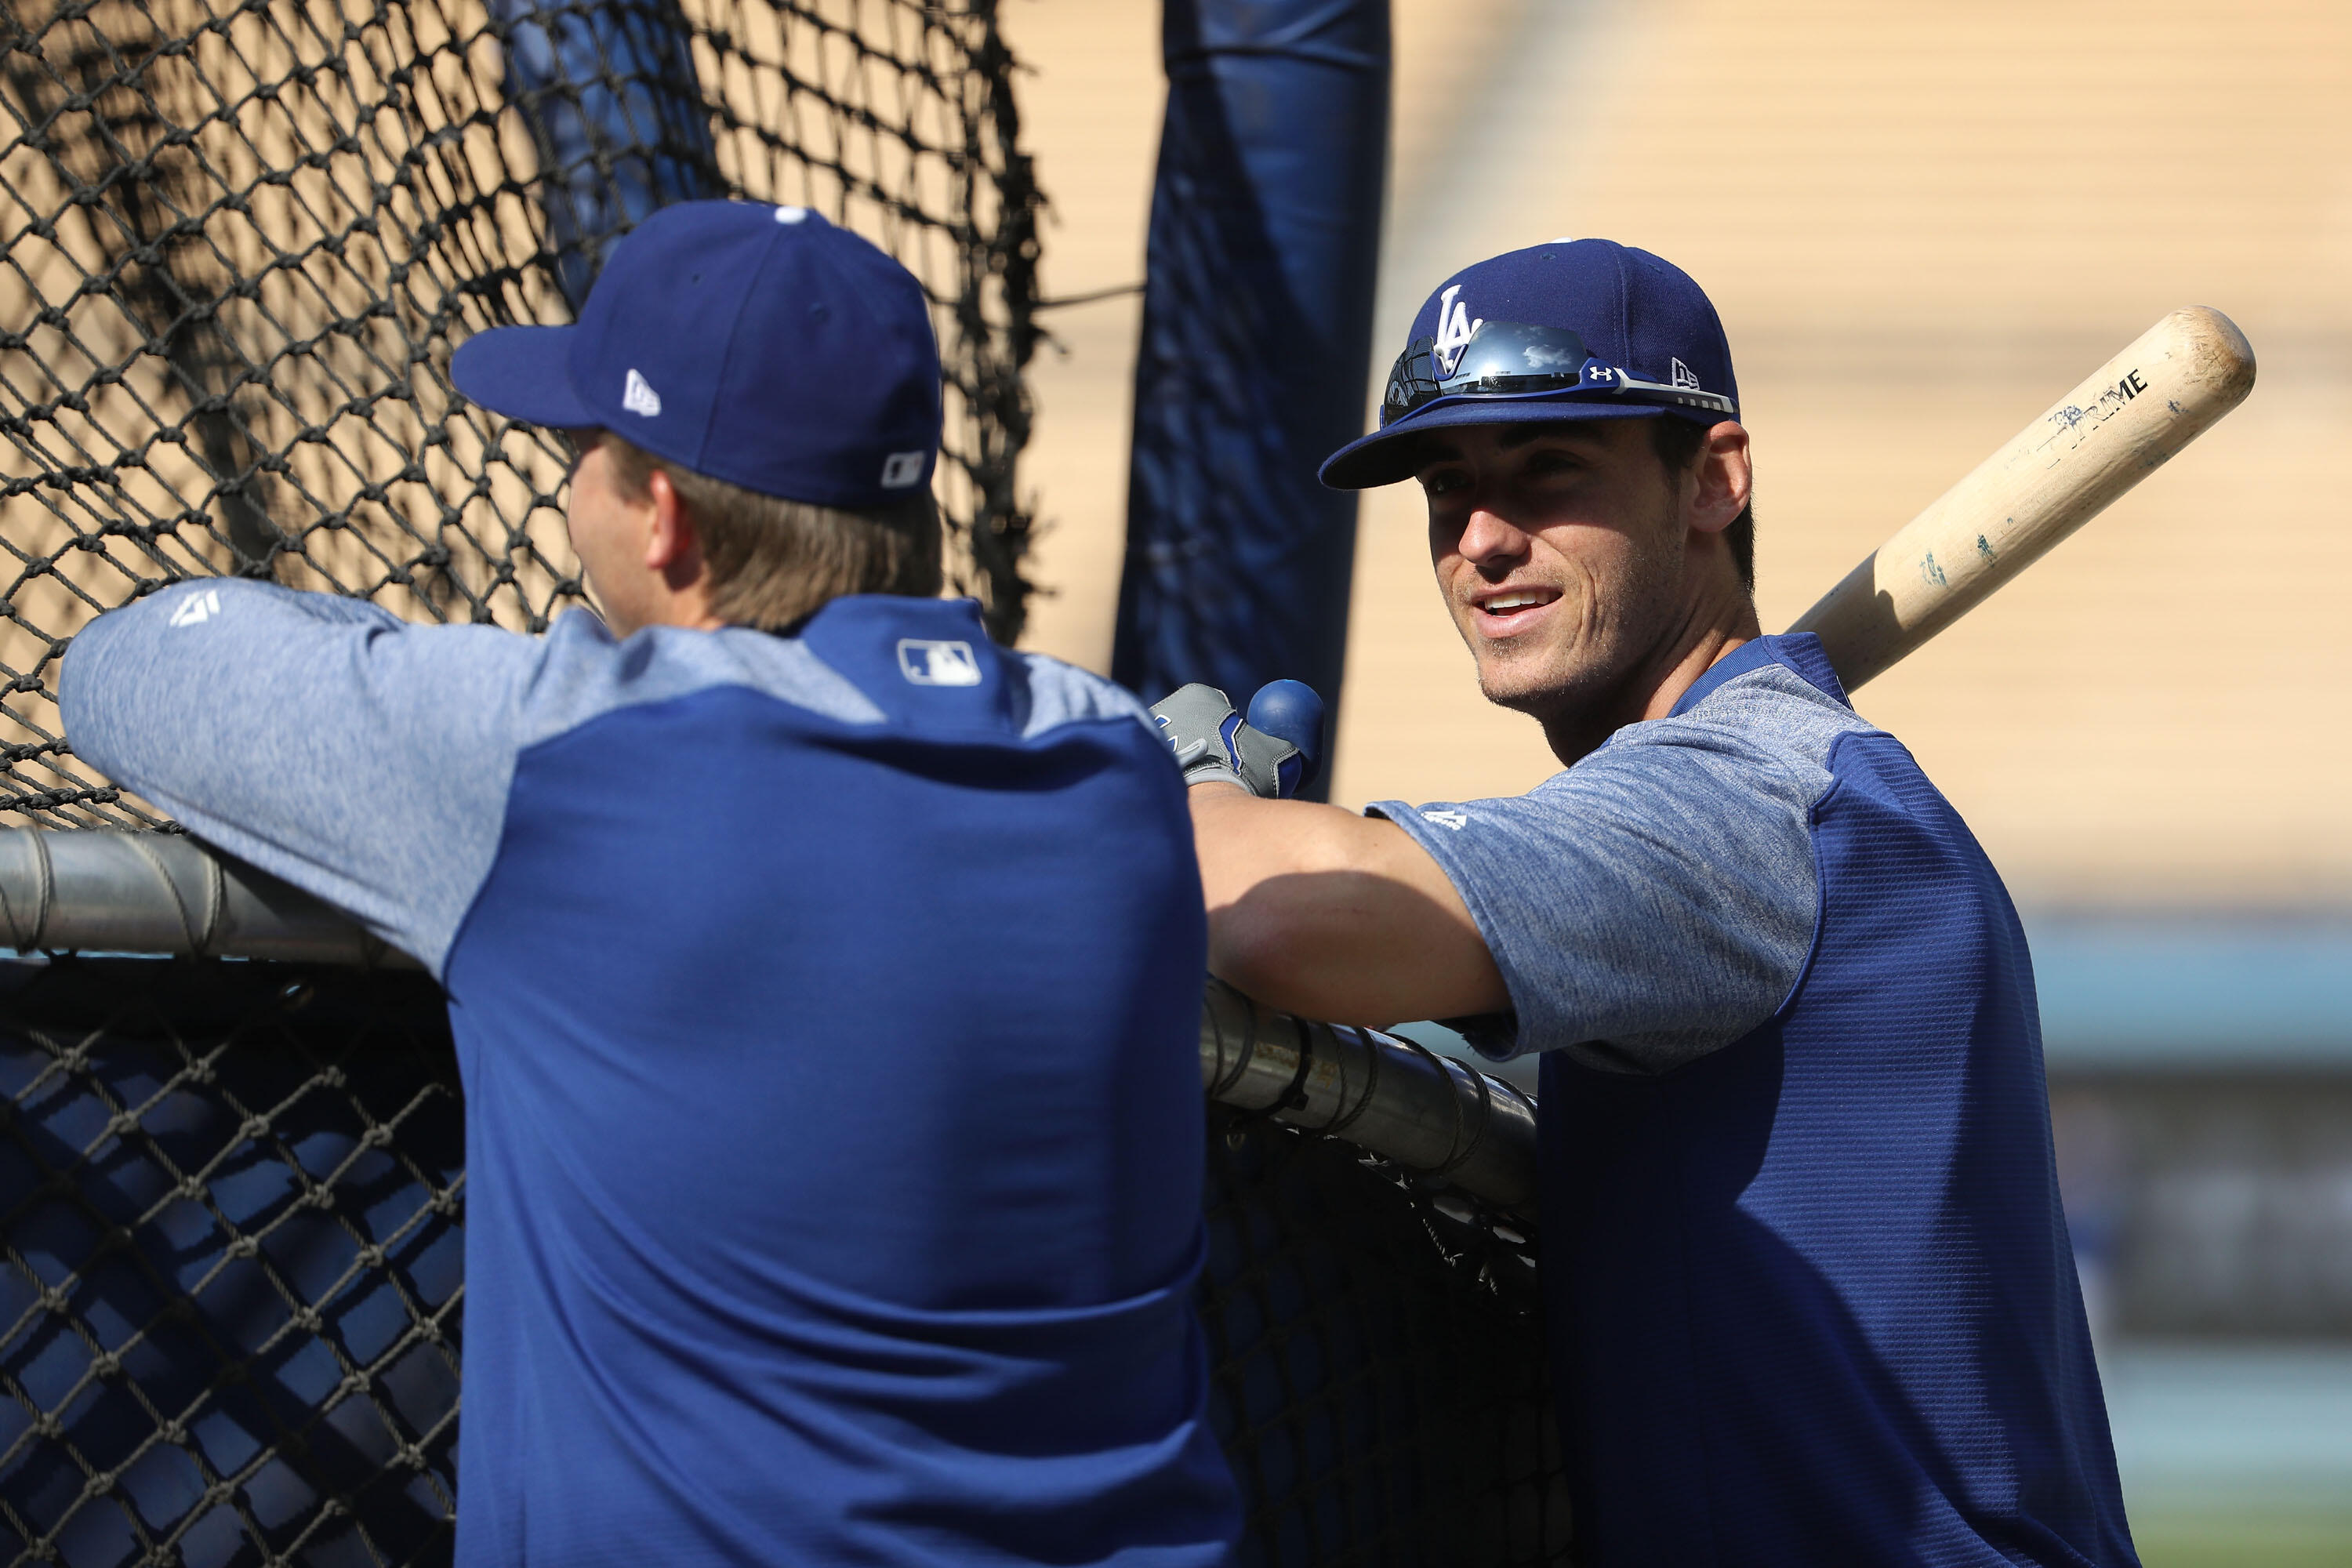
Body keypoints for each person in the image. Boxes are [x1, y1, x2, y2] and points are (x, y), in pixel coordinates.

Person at [62, 201, 1240, 1567]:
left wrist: (540, 671)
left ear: (665, 519)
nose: (568, 492)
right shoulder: (1115, 769)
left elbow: (131, 665)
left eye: (584, 456)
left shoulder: (573, 759)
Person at [1151, 239, 2138, 1566]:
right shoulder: (1804, 780)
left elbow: (1287, 918)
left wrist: (1174, 795)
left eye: (1549, 471)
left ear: (1715, 479)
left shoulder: (1740, 803)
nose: (1484, 541)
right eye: (1448, 493)